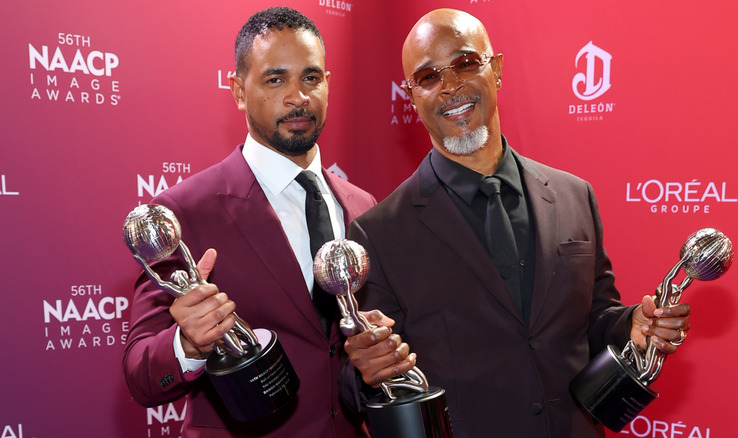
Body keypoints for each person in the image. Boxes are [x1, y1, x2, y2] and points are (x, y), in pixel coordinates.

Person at [340, 8, 691, 438]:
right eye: (429, 77)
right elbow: (371, 382)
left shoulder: (574, 195)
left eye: (466, 63)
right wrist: (367, 371)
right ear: (412, 96)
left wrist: (633, 324)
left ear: (498, 70)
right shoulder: (377, 234)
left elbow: (594, 320)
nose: (450, 86)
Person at [123, 7, 374, 437]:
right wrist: (187, 344)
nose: (298, 96)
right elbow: (141, 373)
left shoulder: (363, 205)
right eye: (276, 79)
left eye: (311, 78)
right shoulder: (184, 212)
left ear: (327, 85)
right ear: (239, 91)